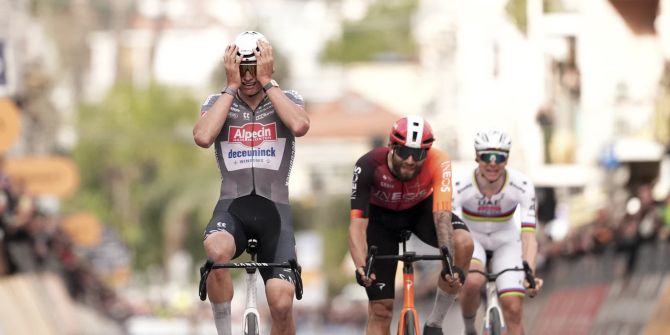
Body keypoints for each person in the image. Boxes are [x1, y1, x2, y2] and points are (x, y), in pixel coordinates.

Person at [193, 30, 309, 335]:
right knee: (216, 253)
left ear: (268, 65)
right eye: (241, 68)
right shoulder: (217, 102)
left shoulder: (288, 99)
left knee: (281, 305)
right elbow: (203, 137)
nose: (248, 76)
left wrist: (269, 83)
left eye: (254, 68)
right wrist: (230, 88)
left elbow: (299, 125)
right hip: (233, 208)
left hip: (276, 213)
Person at [348, 115, 474, 335]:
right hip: (380, 221)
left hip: (420, 212)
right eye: (404, 152)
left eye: (418, 154)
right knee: (381, 310)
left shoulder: (439, 161)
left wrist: (448, 259)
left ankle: (434, 323)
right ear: (391, 147)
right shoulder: (368, 164)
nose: (410, 160)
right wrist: (361, 266)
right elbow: (357, 224)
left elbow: (442, 214)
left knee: (463, 242)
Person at [446, 130, 543, 335]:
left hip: (506, 240)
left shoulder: (522, 185)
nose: (492, 163)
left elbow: (528, 236)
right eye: (486, 156)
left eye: (499, 157)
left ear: (507, 158)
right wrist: (451, 266)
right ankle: (469, 327)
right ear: (476, 157)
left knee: (514, 308)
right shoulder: (459, 185)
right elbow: (451, 233)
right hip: (473, 238)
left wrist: (530, 274)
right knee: (472, 281)